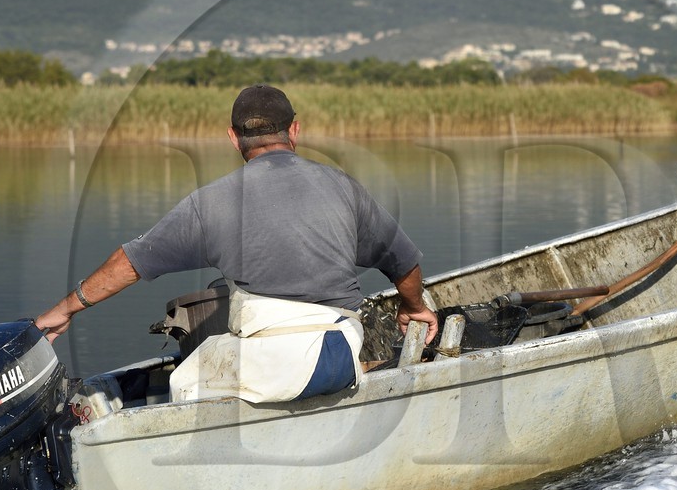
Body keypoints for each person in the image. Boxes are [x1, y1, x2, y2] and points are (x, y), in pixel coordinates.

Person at [35, 84, 439, 356]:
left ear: (233, 137)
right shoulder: (342, 185)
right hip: (340, 347)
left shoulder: (208, 203)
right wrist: (413, 307)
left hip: (262, 354)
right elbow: (403, 262)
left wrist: (68, 308)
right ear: (294, 131)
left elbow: (129, 263)